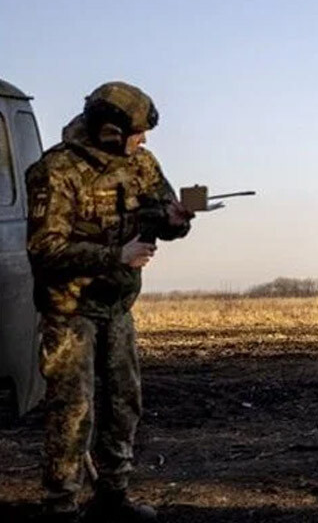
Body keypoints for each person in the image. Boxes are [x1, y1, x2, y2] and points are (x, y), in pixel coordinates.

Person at [26, 81, 192, 522]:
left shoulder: (142, 163)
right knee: (71, 411)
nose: (144, 140)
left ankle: (112, 497)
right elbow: (45, 249)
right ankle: (60, 506)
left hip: (118, 307)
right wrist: (113, 255)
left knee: (124, 404)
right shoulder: (56, 170)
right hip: (70, 310)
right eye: (137, 131)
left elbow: (160, 212)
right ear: (109, 130)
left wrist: (176, 220)